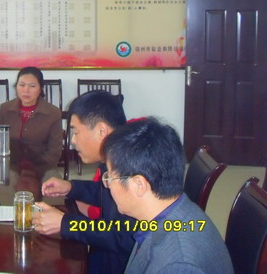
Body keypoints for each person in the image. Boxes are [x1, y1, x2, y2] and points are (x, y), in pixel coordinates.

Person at [103, 117, 233, 273]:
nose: (107, 184)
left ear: (139, 185)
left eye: (110, 177)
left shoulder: (178, 264)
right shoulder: (171, 211)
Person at [32, 89, 135, 274]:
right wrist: (71, 187)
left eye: (76, 131)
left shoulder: (131, 171)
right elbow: (106, 193)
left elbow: (125, 237)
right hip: (101, 255)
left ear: (102, 130)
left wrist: (66, 224)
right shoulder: (114, 158)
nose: (72, 141)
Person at [0, 67, 62, 165]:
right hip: (10, 164)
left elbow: (54, 151)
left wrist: (39, 168)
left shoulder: (53, 113)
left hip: (40, 166)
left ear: (40, 89)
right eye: (22, 85)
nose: (26, 90)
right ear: (16, 86)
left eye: (32, 86)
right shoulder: (5, 109)